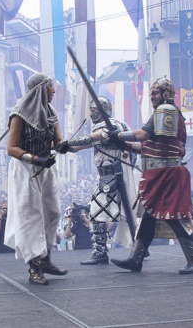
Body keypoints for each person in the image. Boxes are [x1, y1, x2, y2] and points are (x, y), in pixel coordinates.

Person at [97, 76, 193, 274]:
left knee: (174, 216)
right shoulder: (160, 114)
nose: (153, 97)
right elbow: (148, 146)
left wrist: (118, 135)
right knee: (148, 216)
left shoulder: (166, 110)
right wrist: (125, 145)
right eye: (152, 94)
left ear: (166, 93)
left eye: (155, 93)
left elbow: (144, 135)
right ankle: (135, 259)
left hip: (168, 174)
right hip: (160, 172)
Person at [57, 96, 139, 265]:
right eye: (91, 110)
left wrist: (69, 142)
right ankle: (139, 250)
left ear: (103, 111)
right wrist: (60, 146)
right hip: (110, 176)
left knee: (97, 212)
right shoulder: (105, 127)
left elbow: (92, 138)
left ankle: (103, 252)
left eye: (95, 110)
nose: (92, 113)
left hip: (114, 175)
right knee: (123, 214)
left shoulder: (112, 125)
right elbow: (80, 146)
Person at [5, 73, 68, 285]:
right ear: (41, 88)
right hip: (26, 169)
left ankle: (46, 258)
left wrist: (62, 146)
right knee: (31, 216)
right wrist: (35, 159)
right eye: (51, 87)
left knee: (53, 212)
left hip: (46, 168)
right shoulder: (19, 115)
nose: (54, 91)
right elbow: (11, 148)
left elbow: (57, 141)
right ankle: (34, 268)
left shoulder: (51, 113)